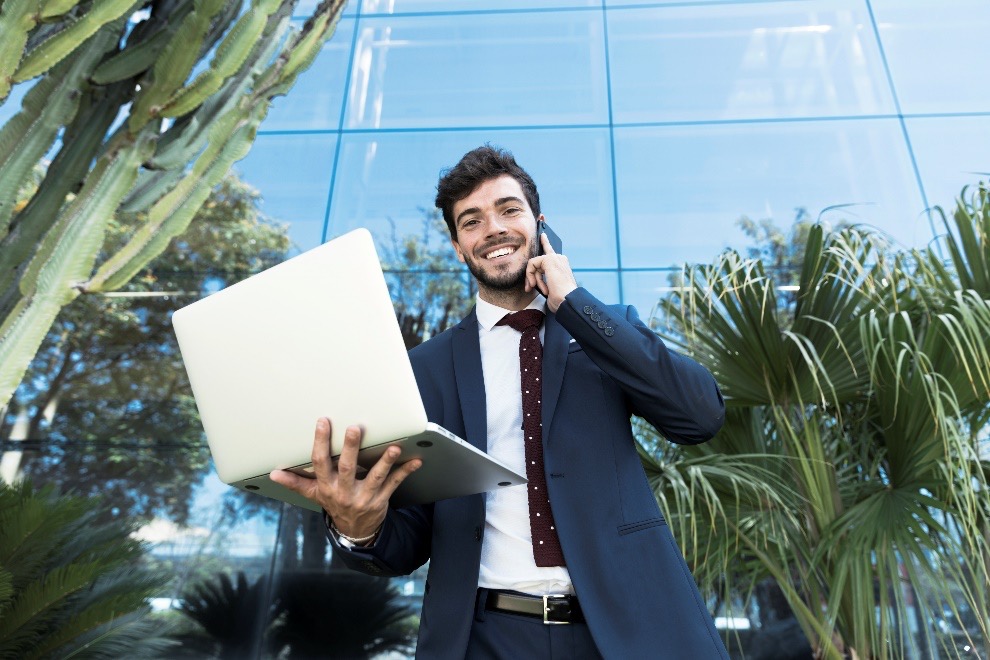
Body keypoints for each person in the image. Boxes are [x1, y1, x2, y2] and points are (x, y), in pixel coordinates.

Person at [271, 146, 729, 659]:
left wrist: (574, 302)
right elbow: (410, 539)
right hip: (484, 638)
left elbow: (699, 416)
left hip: (624, 631)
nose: (493, 229)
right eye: (472, 221)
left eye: (509, 210)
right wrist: (360, 527)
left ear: (539, 223)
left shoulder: (604, 330)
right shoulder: (424, 369)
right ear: (458, 247)